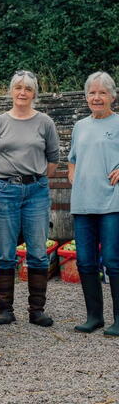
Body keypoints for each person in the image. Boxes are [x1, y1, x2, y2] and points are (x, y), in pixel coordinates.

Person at [0, 70, 59, 328]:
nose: (22, 93)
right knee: (6, 253)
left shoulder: (45, 123)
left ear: (34, 94)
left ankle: (37, 310)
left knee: (38, 253)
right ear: (11, 91)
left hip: (36, 193)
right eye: (18, 87)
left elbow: (53, 160)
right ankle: (5, 310)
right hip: (5, 190)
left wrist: (37, 180)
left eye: (28, 89)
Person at [68, 71, 119, 337]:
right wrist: (72, 171)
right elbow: (72, 158)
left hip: (111, 202)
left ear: (112, 96)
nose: (96, 97)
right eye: (92, 93)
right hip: (82, 203)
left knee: (113, 260)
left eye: (102, 92)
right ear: (86, 96)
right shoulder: (80, 126)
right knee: (86, 261)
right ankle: (94, 317)